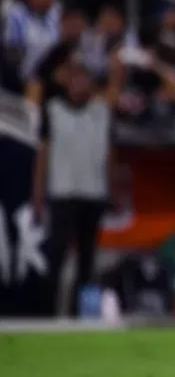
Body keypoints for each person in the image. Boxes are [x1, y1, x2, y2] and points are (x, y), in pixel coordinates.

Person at [34, 59, 124, 315]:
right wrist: (38, 194)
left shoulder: (102, 112)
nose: (79, 85)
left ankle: (83, 312)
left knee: (88, 257)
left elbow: (110, 154)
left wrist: (113, 189)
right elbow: (43, 156)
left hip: (92, 192)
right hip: (62, 191)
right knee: (57, 254)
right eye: (74, 79)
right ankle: (47, 312)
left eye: (84, 79)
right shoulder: (53, 111)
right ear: (67, 84)